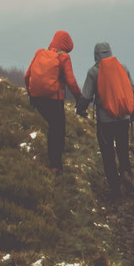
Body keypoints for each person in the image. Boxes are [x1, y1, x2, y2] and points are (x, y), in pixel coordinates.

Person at [76, 42, 134, 198]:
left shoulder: (94, 72)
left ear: (96, 55)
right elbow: (133, 92)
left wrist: (80, 110)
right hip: (124, 118)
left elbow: (86, 96)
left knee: (107, 153)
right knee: (123, 149)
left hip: (105, 121)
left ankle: (115, 187)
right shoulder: (122, 68)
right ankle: (126, 173)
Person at [24, 30, 84, 173]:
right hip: (54, 100)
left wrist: (31, 93)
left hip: (36, 97)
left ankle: (38, 156)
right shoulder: (63, 57)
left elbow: (27, 75)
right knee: (57, 130)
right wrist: (80, 100)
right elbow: (71, 82)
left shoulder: (39, 52)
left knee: (46, 125)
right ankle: (55, 165)